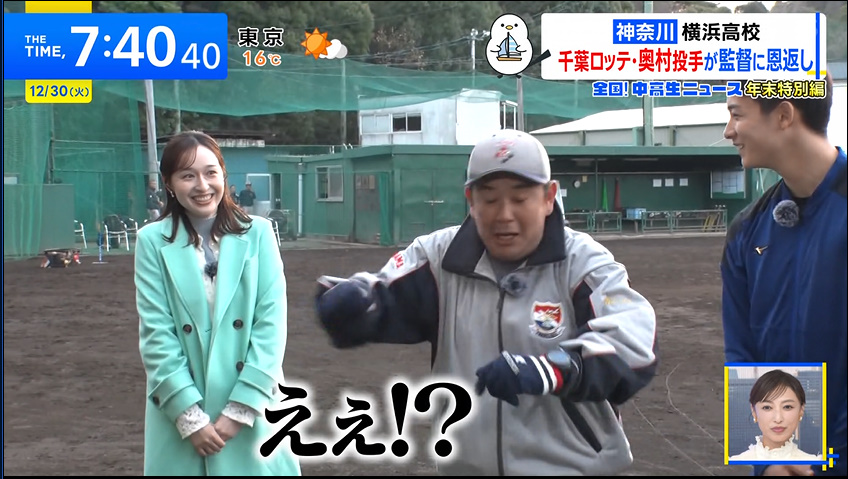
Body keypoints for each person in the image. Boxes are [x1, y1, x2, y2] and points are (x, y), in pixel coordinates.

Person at [313, 129, 659, 475]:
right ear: (470, 199)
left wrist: (553, 369)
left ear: (548, 197)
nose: (504, 214)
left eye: (520, 198)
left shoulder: (583, 262)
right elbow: (380, 293)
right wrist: (351, 303)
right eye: (490, 199)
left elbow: (632, 339)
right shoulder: (439, 258)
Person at [134, 131, 300, 476]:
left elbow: (270, 326)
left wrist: (241, 408)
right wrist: (189, 417)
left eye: (211, 172)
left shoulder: (259, 232)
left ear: (224, 175)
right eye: (187, 175)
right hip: (181, 422)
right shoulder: (151, 241)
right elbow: (157, 334)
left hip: (253, 413)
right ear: (169, 184)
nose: (202, 185)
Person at [721, 72, 846, 477]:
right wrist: (769, 456)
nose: (728, 131)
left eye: (737, 114)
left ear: (783, 115)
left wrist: (828, 458)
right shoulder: (747, 231)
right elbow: (742, 354)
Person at [729, 370, 821, 463]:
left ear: (801, 410)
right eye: (767, 407)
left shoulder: (815, 464)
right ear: (754, 411)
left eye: (787, 407)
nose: (778, 419)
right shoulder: (734, 463)